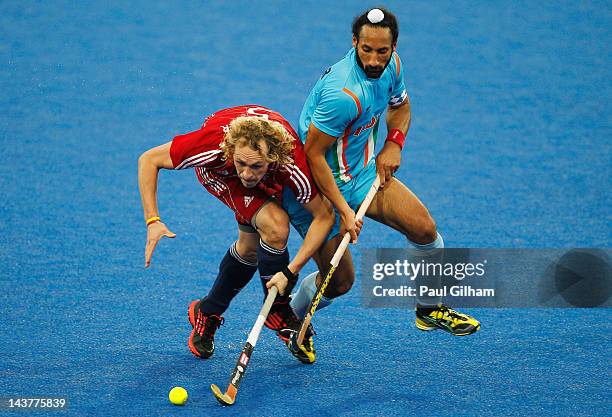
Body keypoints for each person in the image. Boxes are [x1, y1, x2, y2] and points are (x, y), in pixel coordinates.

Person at [288, 7, 480, 336]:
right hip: (317, 191)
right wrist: (344, 210)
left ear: (394, 47)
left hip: (361, 174)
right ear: (354, 43)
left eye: (382, 51)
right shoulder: (343, 95)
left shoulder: (393, 67)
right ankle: (292, 319)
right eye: (366, 50)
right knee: (339, 283)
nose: (375, 61)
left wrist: (394, 144)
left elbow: (400, 106)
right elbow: (314, 154)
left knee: (424, 229)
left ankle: (429, 308)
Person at [138, 105, 335, 364]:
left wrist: (291, 271)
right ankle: (278, 311)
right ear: (232, 151)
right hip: (219, 173)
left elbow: (324, 216)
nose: (247, 174)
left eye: (256, 166)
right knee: (275, 226)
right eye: (242, 163)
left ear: (274, 158)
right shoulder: (213, 146)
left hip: (269, 165)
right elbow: (148, 160)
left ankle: (206, 311)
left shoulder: (289, 158)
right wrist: (153, 220)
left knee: (250, 248)